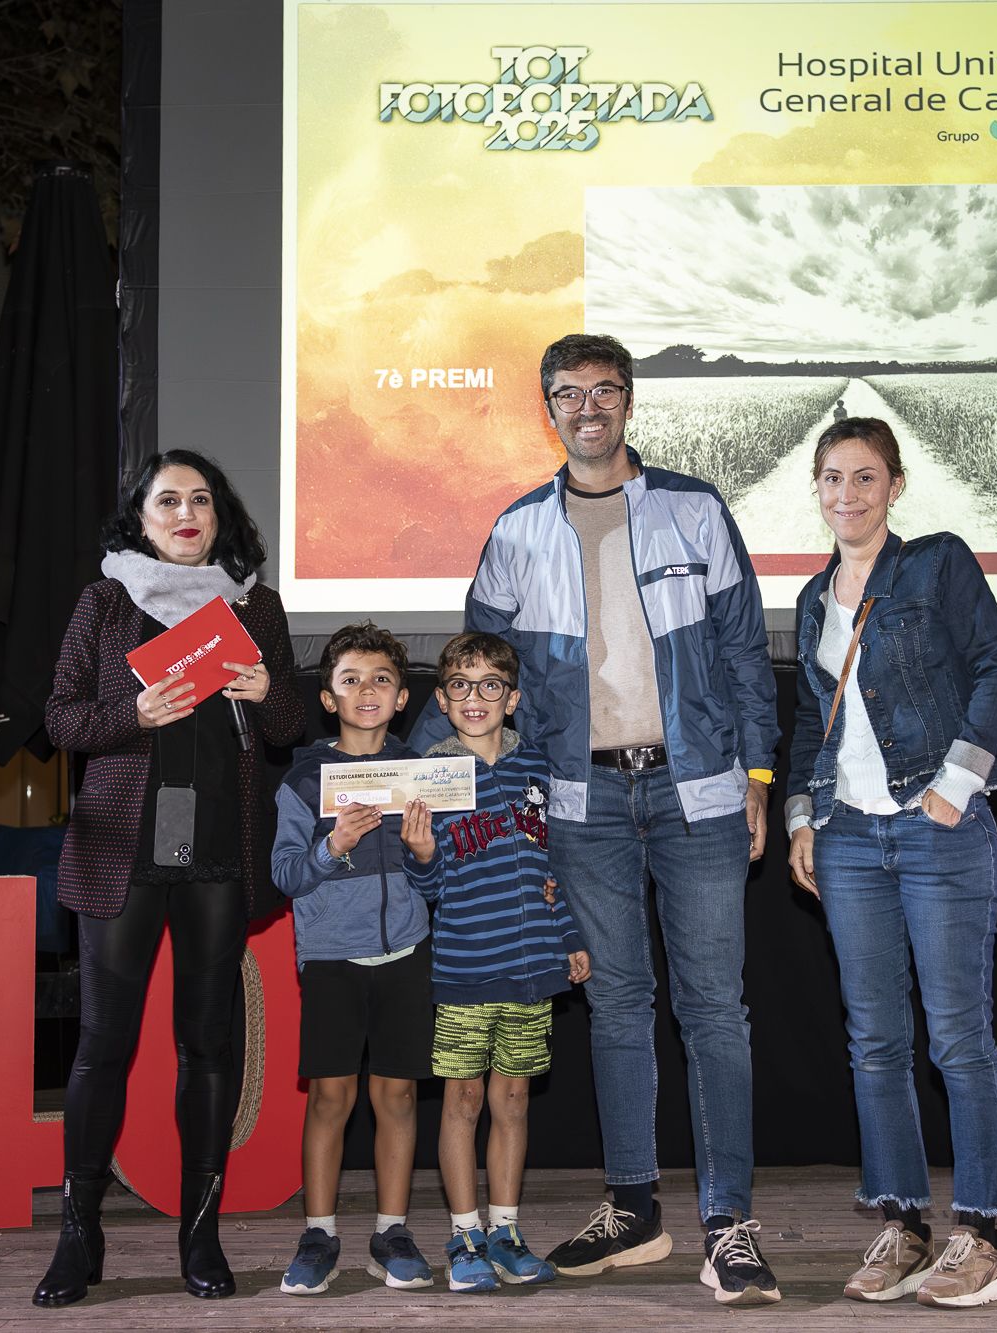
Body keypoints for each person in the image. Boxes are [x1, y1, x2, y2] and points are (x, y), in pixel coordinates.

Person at [414, 333, 784, 1306]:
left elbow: (745, 651)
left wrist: (756, 771)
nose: (588, 407)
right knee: (616, 1005)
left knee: (714, 1008)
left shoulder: (695, 508)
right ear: (549, 410)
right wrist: (410, 773)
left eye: (605, 390)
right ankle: (633, 1209)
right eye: (569, 393)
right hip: (581, 804)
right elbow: (472, 674)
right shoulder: (515, 532)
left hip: (698, 792)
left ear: (628, 401)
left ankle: (729, 1224)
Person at [33, 450, 303, 1308]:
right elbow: (61, 718)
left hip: (219, 849)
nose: (186, 513)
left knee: (209, 1046)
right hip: (124, 850)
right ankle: (79, 1235)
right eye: (168, 501)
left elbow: (290, 723)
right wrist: (134, 713)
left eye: (201, 499)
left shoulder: (255, 605)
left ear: (221, 516)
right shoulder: (105, 601)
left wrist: (268, 690)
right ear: (141, 519)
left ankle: (201, 1233)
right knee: (102, 1045)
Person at [782, 417, 997, 1310]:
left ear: (894, 485)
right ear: (817, 488)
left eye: (865, 477)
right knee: (875, 1043)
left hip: (939, 831)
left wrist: (958, 780)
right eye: (832, 477)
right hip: (849, 838)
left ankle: (983, 1235)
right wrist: (803, 816)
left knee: (958, 1036)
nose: (846, 493)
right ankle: (905, 1226)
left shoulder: (935, 564)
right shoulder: (813, 599)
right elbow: (812, 719)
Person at [404, 632, 590, 1293]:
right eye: (460, 684)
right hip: (465, 966)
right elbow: (429, 885)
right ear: (442, 699)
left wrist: (568, 936)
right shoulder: (429, 775)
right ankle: (465, 1235)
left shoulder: (536, 766)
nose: (474, 696)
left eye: (490, 685)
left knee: (512, 1099)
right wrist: (422, 855)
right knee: (463, 1099)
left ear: (511, 698)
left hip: (532, 965)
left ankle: (506, 1232)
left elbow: (549, 868)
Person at [271, 624, 438, 1296]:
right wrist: (332, 845)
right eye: (351, 679)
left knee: (398, 1095)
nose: (367, 690)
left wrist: (427, 856)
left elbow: (437, 879)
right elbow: (286, 874)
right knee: (330, 1097)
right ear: (328, 698)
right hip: (331, 956)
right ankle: (319, 1234)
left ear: (401, 697)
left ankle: (391, 1232)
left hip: (407, 952)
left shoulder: (422, 775)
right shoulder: (303, 780)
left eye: (381, 679)